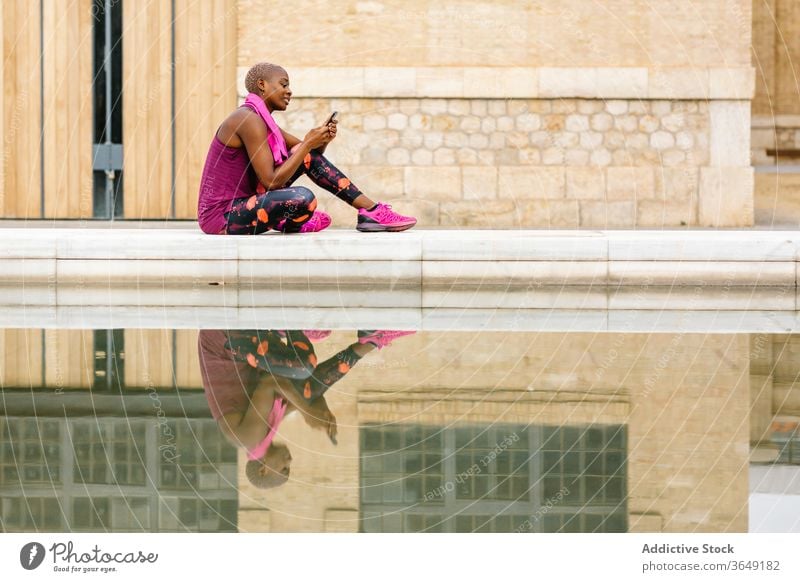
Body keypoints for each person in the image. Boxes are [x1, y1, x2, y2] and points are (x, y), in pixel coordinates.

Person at [197, 62, 417, 235]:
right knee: (302, 198)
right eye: (284, 85)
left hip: (247, 204)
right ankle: (287, 221)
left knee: (306, 158)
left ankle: (371, 211)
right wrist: (309, 143)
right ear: (262, 84)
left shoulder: (262, 121)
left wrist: (322, 140)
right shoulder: (247, 119)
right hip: (221, 216)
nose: (289, 91)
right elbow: (272, 181)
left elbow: (307, 155)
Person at [198, 328, 415, 489]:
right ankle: (370, 341)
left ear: (264, 469)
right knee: (307, 388)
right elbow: (303, 394)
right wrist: (321, 412)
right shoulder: (264, 432)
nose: (290, 462)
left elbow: (271, 384)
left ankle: (292, 325)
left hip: (223, 339)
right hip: (240, 346)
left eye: (285, 469)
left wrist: (307, 412)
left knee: (303, 366)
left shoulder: (245, 438)